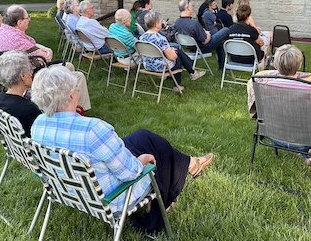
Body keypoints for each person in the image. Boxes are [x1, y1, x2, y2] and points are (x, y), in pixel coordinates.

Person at [30, 65, 214, 232]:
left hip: (70, 191)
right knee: (157, 153)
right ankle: (183, 174)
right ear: (71, 95)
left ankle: (190, 163)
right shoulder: (93, 130)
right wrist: (142, 161)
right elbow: (131, 173)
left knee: (142, 136)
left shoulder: (38, 125)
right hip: (113, 198)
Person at [247, 44, 311, 166]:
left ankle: (307, 156)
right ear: (300, 65)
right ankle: (309, 155)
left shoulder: (262, 85)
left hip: (273, 137)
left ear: (275, 65)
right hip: (308, 141)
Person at [140, 11, 206, 91]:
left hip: (147, 65)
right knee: (177, 55)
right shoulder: (160, 39)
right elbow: (173, 57)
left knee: (176, 51)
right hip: (160, 67)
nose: (162, 22)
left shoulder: (142, 38)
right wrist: (172, 51)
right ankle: (178, 84)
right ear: (156, 24)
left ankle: (192, 72)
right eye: (161, 21)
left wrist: (171, 50)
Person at [0, 50, 41, 136]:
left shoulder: (0, 98)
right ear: (22, 76)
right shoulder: (29, 110)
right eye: (30, 70)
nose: (32, 73)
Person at [173, 0, 230, 70]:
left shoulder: (177, 22)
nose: (192, 8)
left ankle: (222, 66)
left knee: (219, 43)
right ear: (188, 8)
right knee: (226, 30)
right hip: (202, 47)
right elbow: (205, 41)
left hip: (189, 47)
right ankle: (230, 53)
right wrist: (208, 34)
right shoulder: (194, 24)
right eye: (191, 6)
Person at [227, 4, 269, 69]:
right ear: (248, 17)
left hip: (234, 57)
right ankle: (261, 75)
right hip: (250, 58)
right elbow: (261, 43)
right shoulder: (251, 30)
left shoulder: (231, 28)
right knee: (261, 54)